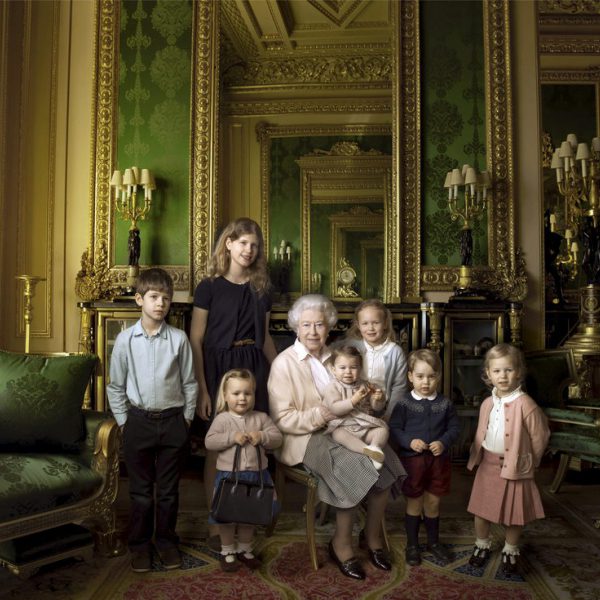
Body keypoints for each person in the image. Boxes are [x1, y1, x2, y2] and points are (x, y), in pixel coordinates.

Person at [268, 294, 406, 580]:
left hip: (347, 427)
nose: (313, 331)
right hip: (306, 437)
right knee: (351, 464)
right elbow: (284, 420)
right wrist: (324, 415)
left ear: (329, 327)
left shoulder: (340, 356)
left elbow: (359, 400)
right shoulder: (284, 364)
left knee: (387, 460)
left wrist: (373, 400)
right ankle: (340, 543)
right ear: (296, 327)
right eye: (306, 325)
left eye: (319, 324)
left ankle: (371, 537)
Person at [190, 217, 277, 547]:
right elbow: (196, 338)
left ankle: (249, 517)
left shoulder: (261, 289)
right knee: (220, 447)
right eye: (242, 243)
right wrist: (202, 387)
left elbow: (266, 337)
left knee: (254, 444)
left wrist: (279, 371)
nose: (249, 250)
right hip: (218, 369)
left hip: (253, 366)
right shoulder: (209, 287)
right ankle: (217, 522)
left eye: (254, 245)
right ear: (228, 243)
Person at [107, 268, 198, 573]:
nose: (161, 304)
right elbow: (115, 386)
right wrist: (124, 422)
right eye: (154, 297)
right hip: (138, 422)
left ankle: (166, 542)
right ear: (139, 300)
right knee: (141, 492)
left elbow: (189, 383)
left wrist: (185, 420)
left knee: (169, 492)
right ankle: (140, 545)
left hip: (173, 422)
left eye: (166, 299)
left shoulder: (179, 339)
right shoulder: (124, 341)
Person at [467, 343, 550, 574]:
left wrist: (529, 462)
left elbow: (540, 436)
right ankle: (482, 545)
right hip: (488, 464)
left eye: (508, 370)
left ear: (519, 372)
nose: (502, 376)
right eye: (497, 371)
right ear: (488, 374)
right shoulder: (487, 403)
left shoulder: (526, 404)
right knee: (481, 510)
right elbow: (482, 432)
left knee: (515, 513)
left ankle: (510, 549)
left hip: (516, 467)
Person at [204, 369, 282, 572]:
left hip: (257, 476)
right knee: (227, 516)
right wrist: (231, 437)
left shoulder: (261, 418)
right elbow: (210, 442)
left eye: (247, 393)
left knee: (250, 515)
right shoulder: (222, 420)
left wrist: (262, 436)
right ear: (225, 396)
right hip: (229, 477)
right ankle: (228, 550)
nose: (242, 398)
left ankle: (245, 549)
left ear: (254, 395)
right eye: (236, 393)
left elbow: (277, 437)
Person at [389, 349, 460, 567]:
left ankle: (433, 542)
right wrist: (409, 442)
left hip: (438, 463)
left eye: (431, 376)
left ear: (438, 376)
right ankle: (412, 544)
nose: (426, 382)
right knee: (414, 502)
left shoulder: (445, 404)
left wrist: (444, 441)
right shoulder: (404, 404)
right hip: (413, 463)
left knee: (433, 501)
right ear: (410, 376)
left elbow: (455, 427)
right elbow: (394, 428)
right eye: (420, 376)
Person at [322, 345, 388, 470]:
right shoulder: (333, 387)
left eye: (353, 367)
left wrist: (378, 399)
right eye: (342, 368)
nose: (348, 371)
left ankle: (375, 447)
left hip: (364, 426)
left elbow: (376, 408)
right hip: (344, 426)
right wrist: (353, 400)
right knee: (337, 434)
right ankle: (367, 451)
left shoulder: (365, 385)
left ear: (360, 368)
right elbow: (334, 409)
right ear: (333, 369)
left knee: (382, 430)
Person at [341, 299, 408, 420]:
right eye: (365, 323)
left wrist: (388, 416)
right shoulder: (352, 347)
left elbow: (399, 388)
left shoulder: (395, 352)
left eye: (376, 322)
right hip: (353, 405)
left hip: (382, 407)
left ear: (385, 323)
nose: (370, 328)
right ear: (358, 325)